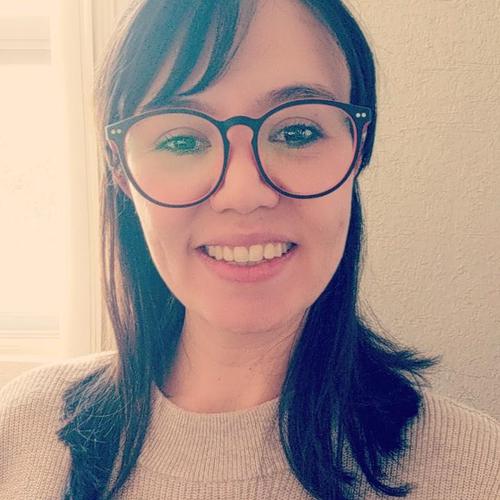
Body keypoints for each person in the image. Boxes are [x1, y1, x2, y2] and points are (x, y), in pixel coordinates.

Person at [1, 0, 499, 499]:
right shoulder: (22, 429)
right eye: (182, 140)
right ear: (121, 169)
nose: (243, 193)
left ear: (358, 148)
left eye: (297, 132)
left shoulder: (477, 471)